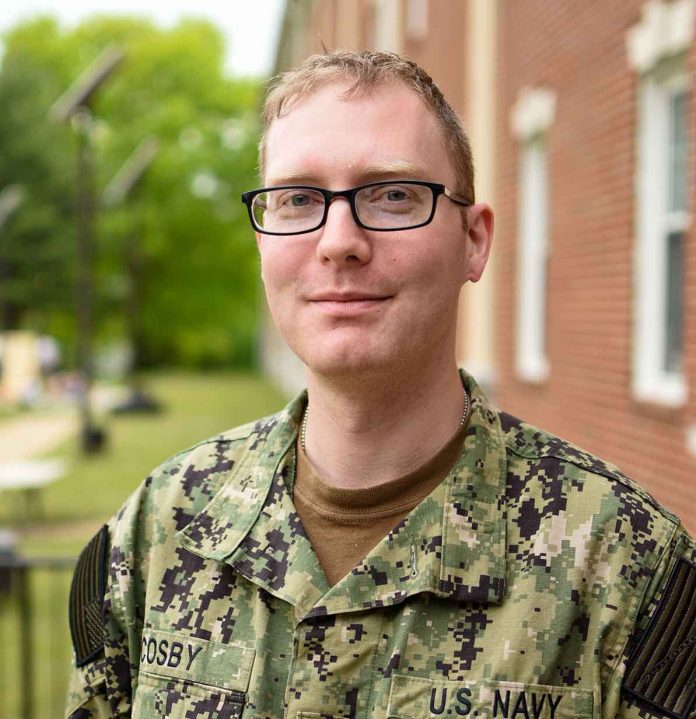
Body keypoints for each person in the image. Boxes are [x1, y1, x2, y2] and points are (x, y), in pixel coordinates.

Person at [66, 50, 696, 719]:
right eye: (298, 199)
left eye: (392, 194)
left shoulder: (625, 567)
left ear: (474, 240)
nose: (340, 241)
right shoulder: (155, 536)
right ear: (262, 243)